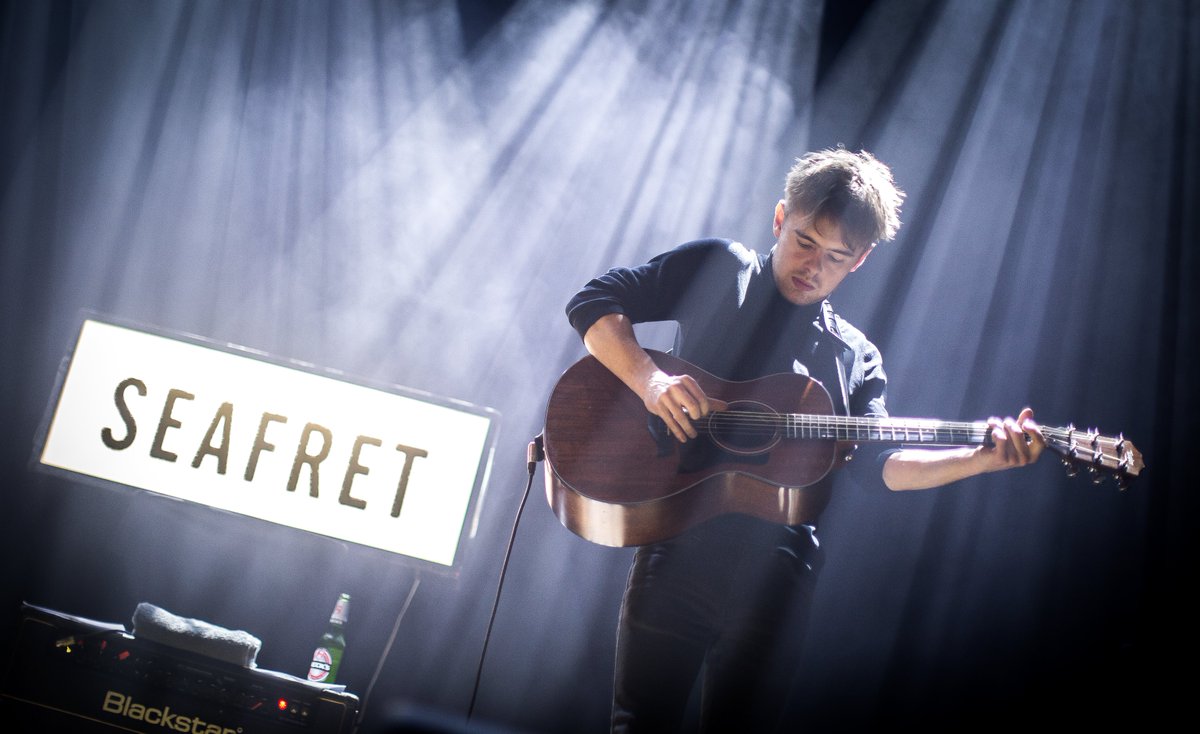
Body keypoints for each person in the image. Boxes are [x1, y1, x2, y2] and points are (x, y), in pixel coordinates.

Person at [564, 148, 1045, 733]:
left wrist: (978, 458)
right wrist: (651, 380)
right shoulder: (721, 268)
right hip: (678, 547)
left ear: (861, 261)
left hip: (777, 579)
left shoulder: (855, 354)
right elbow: (592, 301)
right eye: (804, 241)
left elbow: (878, 465)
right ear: (779, 218)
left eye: (836, 256)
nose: (813, 265)